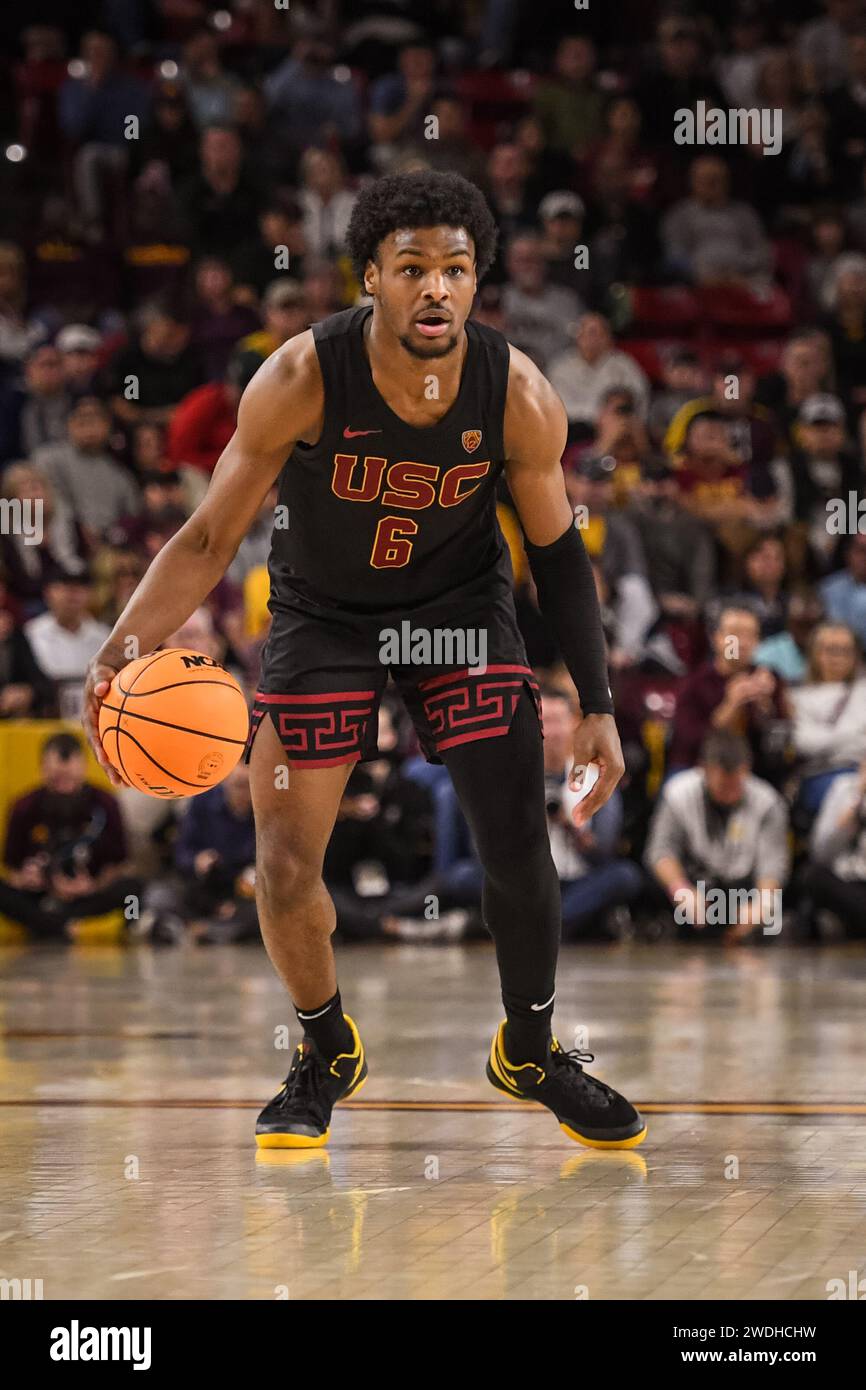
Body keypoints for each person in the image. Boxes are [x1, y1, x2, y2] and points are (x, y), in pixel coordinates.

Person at [83, 170, 644, 1153]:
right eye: (413, 269)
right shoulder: (300, 378)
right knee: (285, 860)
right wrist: (123, 645)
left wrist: (594, 701)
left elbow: (556, 552)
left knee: (516, 840)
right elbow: (211, 536)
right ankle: (323, 1048)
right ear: (370, 281)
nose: (436, 289)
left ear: (478, 282)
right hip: (324, 615)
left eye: (457, 270)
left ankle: (530, 1047)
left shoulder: (515, 393)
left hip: (458, 610)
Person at [645, 730, 789, 944]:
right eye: (723, 785)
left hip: (742, 891)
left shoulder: (767, 802)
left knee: (772, 920)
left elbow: (773, 862)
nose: (730, 793)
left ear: (747, 770)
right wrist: (680, 889)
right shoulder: (678, 794)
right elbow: (661, 851)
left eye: (736, 784)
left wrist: (763, 902)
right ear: (704, 769)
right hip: (693, 888)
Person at [0, 731, 137, 939]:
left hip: (87, 896)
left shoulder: (105, 804)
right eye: (57, 779)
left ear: (83, 767)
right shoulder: (24, 807)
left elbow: (121, 864)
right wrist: (28, 879)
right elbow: (12, 868)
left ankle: (132, 931)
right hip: (39, 898)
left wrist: (92, 885)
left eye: (69, 779)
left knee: (133, 893)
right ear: (43, 769)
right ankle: (58, 927)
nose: (63, 786)